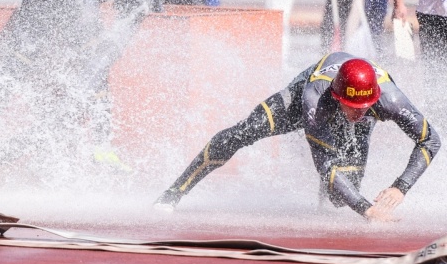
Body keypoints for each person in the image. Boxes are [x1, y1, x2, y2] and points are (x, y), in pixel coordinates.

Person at [154, 52, 440, 222]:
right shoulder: (316, 100)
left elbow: (431, 140)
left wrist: (401, 187)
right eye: (352, 107)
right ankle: (173, 192)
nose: (357, 113)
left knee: (339, 199)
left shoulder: (390, 100)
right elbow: (326, 165)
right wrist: (367, 210)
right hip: (302, 101)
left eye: (364, 107)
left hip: (349, 106)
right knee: (241, 133)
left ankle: (325, 201)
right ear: (339, 97)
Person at [0, 0, 182, 153]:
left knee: (19, 66)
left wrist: (117, 45)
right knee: (92, 60)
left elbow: (123, 26)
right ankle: (90, 140)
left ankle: (3, 131)